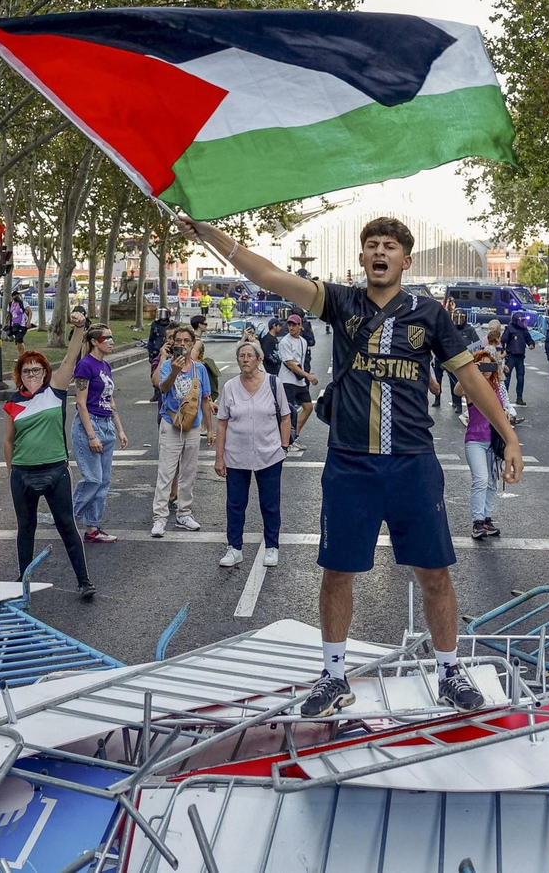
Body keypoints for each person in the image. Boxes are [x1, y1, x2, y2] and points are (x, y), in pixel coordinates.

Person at [177, 212, 521, 718]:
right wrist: (212, 236)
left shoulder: (430, 314)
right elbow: (269, 275)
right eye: (373, 244)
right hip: (350, 464)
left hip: (412, 462)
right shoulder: (341, 302)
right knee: (337, 572)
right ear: (362, 257)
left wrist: (508, 435)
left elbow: (469, 378)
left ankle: (449, 672)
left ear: (405, 260)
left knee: (434, 573)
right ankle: (334, 676)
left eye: (390, 246)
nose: (380, 252)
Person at [4, 310, 95, 599]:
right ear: (20, 375)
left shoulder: (55, 391)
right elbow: (8, 440)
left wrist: (79, 328)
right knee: (25, 529)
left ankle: (84, 581)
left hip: (55, 471)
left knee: (67, 526)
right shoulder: (13, 403)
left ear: (45, 373)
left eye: (37, 370)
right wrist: (11, 472)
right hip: (23, 474)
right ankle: (23, 582)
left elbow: (70, 358)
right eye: (26, 371)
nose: (32, 375)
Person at [215, 340, 292, 567]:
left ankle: (272, 547)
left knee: (270, 504)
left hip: (269, 454)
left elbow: (285, 416)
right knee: (235, 504)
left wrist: (283, 446)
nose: (245, 359)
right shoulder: (230, 386)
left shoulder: (273, 383)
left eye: (250, 356)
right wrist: (219, 457)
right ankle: (234, 548)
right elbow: (222, 423)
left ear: (259, 359)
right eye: (242, 356)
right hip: (236, 455)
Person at [152, 324, 213, 538]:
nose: (183, 345)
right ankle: (159, 518)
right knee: (166, 472)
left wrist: (210, 429)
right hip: (171, 423)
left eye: (187, 341)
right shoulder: (167, 366)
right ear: (173, 343)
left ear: (192, 344)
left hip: (193, 426)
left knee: (188, 473)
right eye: (179, 341)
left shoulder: (199, 369)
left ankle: (184, 513)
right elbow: (163, 388)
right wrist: (175, 371)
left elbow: (205, 399)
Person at [72, 324, 128, 544]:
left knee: (103, 481)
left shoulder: (105, 366)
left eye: (112, 337)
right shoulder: (85, 365)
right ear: (94, 341)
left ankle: (92, 528)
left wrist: (120, 429)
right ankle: (67, 516)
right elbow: (81, 403)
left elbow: (110, 401)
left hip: (107, 425)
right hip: (90, 424)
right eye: (107, 338)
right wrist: (91, 435)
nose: (112, 342)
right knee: (93, 479)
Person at [456, 351, 511, 538]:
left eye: (489, 365)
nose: (486, 370)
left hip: (494, 440)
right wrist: (472, 371)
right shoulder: (472, 389)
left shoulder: (497, 388)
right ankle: (477, 522)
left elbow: (505, 409)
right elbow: (458, 390)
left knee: (492, 482)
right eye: (483, 365)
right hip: (475, 441)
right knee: (480, 479)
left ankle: (487, 519)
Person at [278, 314, 317, 450]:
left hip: (299, 381)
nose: (291, 328)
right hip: (287, 380)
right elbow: (290, 364)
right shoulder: (285, 342)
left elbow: (302, 360)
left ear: (300, 326)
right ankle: (286, 440)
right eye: (289, 325)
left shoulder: (303, 341)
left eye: (294, 325)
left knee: (308, 407)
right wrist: (308, 376)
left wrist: (305, 375)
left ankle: (295, 436)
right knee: (288, 412)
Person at [500, 312, 534, 405]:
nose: (523, 323)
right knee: (507, 377)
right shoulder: (509, 329)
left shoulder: (524, 329)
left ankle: (519, 397)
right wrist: (503, 351)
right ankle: (504, 398)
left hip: (520, 357)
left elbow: (529, 339)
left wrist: (531, 344)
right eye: (521, 321)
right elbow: (503, 340)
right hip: (511, 356)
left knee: (520, 377)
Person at [7, 291, 29, 355]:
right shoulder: (10, 304)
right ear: (12, 297)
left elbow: (30, 311)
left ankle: (21, 356)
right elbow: (9, 314)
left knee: (19, 339)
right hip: (15, 325)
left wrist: (29, 321)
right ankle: (21, 355)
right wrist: (7, 321)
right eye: (15, 295)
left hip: (22, 324)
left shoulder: (23, 303)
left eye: (18, 295)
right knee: (18, 341)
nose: (17, 297)